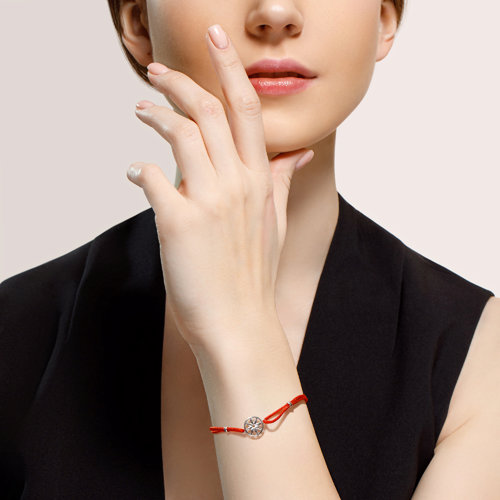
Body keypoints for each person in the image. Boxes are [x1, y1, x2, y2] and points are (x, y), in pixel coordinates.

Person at [1, 1, 499, 499]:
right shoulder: (14, 329)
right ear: (139, 22)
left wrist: (241, 330)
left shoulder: (481, 357)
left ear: (384, 18)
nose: (276, 12)